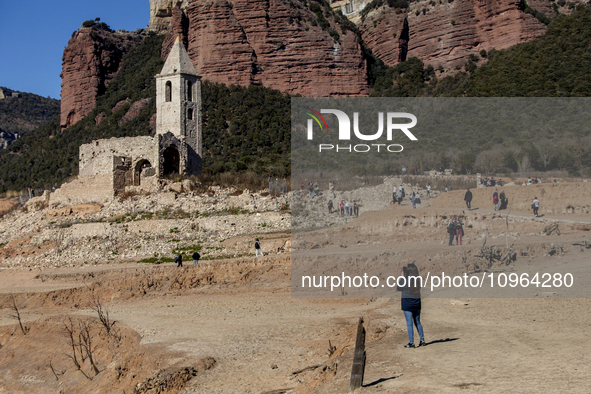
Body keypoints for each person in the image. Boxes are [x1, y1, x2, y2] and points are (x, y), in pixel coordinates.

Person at [397, 263, 425, 348]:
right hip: (416, 303)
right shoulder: (417, 280)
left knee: (409, 324)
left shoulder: (404, 281)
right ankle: (422, 340)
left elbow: (398, 288)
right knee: (418, 322)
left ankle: (411, 342)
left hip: (407, 305)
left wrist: (402, 277)